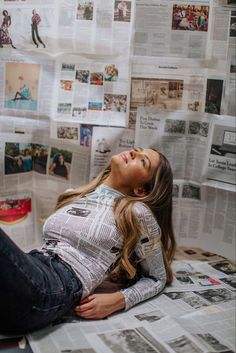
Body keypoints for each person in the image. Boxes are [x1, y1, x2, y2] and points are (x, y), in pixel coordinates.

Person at [0, 148, 176, 334]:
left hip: (50, 288)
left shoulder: (136, 212)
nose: (133, 153)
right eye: (137, 151)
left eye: (143, 161)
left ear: (140, 190)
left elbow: (157, 278)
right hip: (33, 267)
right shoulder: (75, 196)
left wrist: (118, 300)